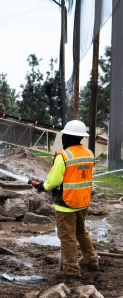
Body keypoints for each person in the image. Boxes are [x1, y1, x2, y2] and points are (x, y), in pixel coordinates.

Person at [32, 119, 99, 278]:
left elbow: (53, 181)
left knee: (67, 238)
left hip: (66, 205)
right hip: (83, 202)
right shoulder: (89, 153)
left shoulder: (64, 156)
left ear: (68, 137)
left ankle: (71, 270)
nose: (62, 139)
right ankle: (92, 261)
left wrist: (43, 186)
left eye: (64, 136)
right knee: (81, 233)